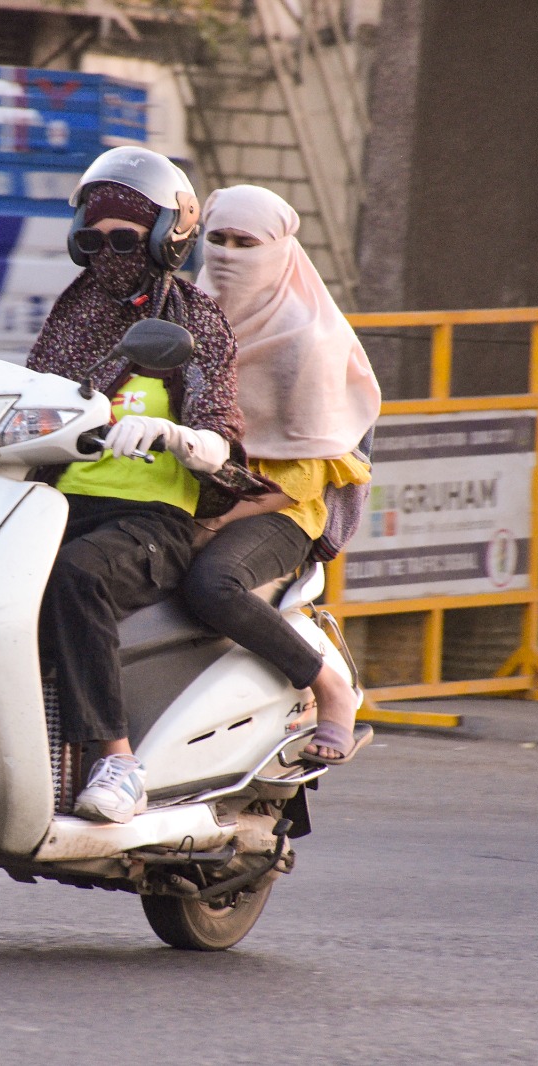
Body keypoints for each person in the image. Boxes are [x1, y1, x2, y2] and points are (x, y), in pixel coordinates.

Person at [0, 147, 246, 823]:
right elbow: (30, 400)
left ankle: (117, 759)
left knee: (79, 577)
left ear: (166, 235)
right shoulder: (76, 310)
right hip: (55, 503)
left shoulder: (195, 320)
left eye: (123, 238)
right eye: (92, 240)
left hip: (151, 518)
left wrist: (175, 437)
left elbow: (220, 429)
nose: (107, 253)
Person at [185, 184, 382, 765]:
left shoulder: (306, 338)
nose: (225, 254)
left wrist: (223, 517)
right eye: (215, 239)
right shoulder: (187, 312)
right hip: (190, 491)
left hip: (281, 506)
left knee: (211, 585)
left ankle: (330, 689)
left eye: (245, 242)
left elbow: (300, 478)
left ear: (278, 248)